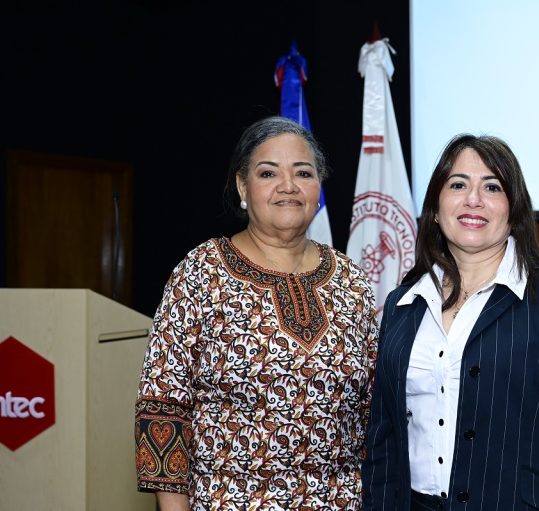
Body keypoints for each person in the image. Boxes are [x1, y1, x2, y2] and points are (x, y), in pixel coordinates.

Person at [135, 116, 379, 511]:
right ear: (242, 186)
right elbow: (162, 408)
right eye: (269, 173)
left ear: (319, 186)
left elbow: (373, 411)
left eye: (303, 172)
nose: (288, 185)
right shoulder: (200, 273)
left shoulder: (351, 281)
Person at [362, 134, 539, 510]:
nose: (473, 199)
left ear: (514, 211)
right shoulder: (403, 305)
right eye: (458, 184)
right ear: (435, 209)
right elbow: (383, 442)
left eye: (492, 186)